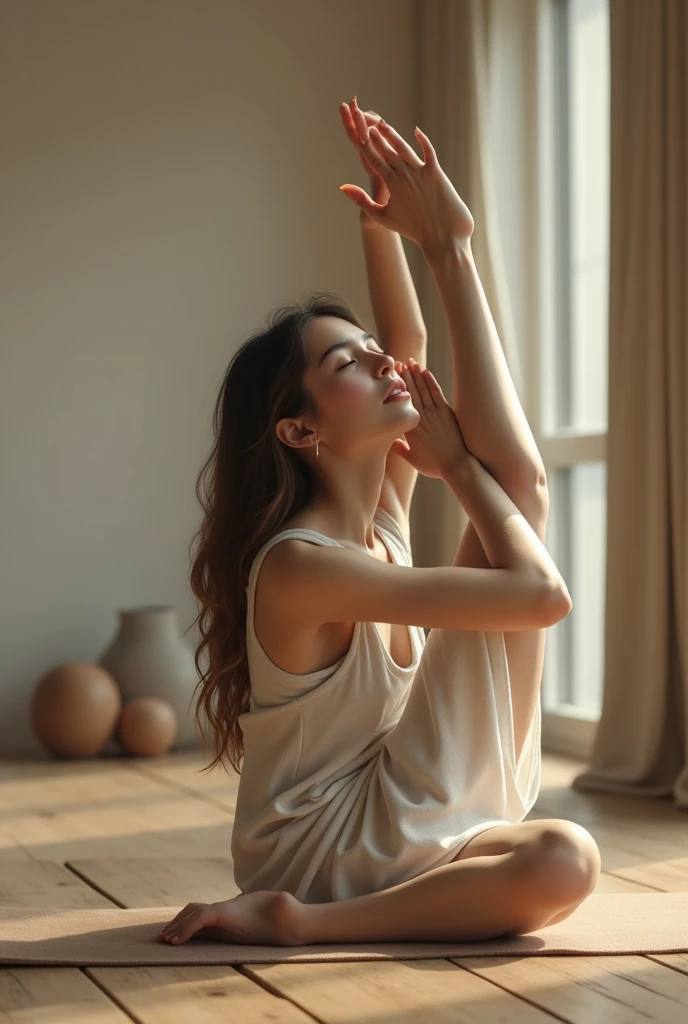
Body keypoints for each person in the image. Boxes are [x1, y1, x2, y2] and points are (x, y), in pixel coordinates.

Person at [158, 98, 601, 950]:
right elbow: (542, 595)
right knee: (510, 493)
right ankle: (304, 923)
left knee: (562, 857)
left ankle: (335, 913)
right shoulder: (299, 565)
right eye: (345, 365)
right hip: (323, 848)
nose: (383, 364)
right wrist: (464, 470)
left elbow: (407, 341)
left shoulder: (380, 520)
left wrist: (383, 226)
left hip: (394, 807)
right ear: (299, 429)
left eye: (367, 351)